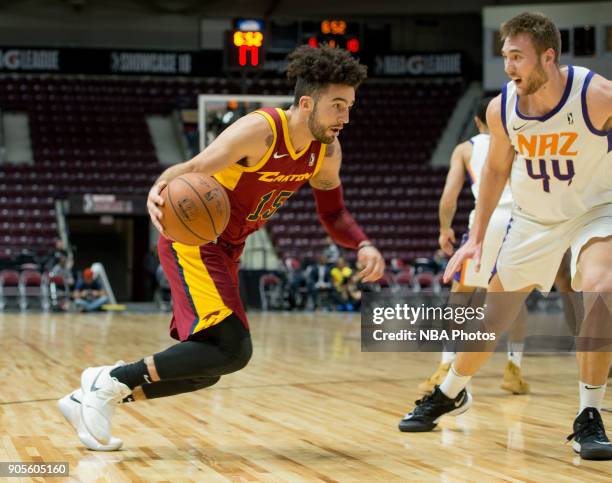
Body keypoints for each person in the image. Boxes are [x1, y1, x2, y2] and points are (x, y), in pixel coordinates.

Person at [60, 45, 385, 450]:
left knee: (209, 364)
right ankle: (108, 383)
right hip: (195, 242)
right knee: (233, 348)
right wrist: (159, 186)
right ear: (307, 102)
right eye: (337, 105)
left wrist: (363, 244)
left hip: (229, 250)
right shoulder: (262, 130)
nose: (345, 117)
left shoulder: (326, 153)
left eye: (350, 106)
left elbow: (334, 215)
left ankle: (91, 394)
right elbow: (194, 168)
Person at [398, 12, 612, 461]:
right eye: (505, 57)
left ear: (548, 57)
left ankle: (588, 415)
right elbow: (495, 171)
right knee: (493, 319)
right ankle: (451, 391)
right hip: (534, 220)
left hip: (596, 212)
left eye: (518, 56)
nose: (509, 66)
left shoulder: (594, 94)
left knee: (600, 290)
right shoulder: (502, 108)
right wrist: (475, 238)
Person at [417, 97, 529, 395]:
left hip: (486, 223)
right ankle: (513, 371)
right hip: (519, 222)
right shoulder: (520, 140)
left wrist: (444, 229)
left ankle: (446, 364)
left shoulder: (466, 148)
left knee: (460, 298)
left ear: (478, 121)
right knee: (515, 301)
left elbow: (449, 197)